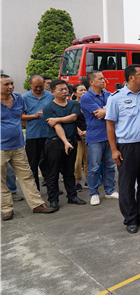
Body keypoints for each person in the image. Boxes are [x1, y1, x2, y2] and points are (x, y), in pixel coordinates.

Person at [106, 64, 140, 234]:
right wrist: (114, 150)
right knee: (127, 184)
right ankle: (130, 218)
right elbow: (110, 125)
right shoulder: (116, 98)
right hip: (128, 146)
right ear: (131, 77)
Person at [1, 74, 56, 220]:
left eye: (11, 83)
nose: (10, 86)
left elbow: (21, 117)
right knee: (1, 179)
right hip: (1, 147)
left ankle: (37, 204)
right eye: (6, 84)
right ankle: (6, 208)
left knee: (27, 175)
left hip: (18, 144)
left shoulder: (18, 98)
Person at [43, 79, 86, 209]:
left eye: (66, 88)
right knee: (53, 173)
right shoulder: (48, 108)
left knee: (69, 171)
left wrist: (57, 119)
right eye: (61, 89)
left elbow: (73, 117)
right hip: (55, 143)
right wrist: (65, 142)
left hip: (72, 141)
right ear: (52, 92)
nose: (64, 91)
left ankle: (72, 196)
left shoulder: (73, 103)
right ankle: (53, 199)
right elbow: (57, 126)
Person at [81, 71, 119, 206]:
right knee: (93, 167)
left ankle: (109, 190)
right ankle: (94, 193)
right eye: (100, 78)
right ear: (92, 82)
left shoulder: (109, 95)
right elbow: (99, 115)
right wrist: (109, 111)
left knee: (110, 165)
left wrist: (106, 111)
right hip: (95, 137)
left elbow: (117, 111)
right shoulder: (86, 97)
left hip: (110, 136)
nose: (104, 80)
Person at [22, 74, 53, 190]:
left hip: (49, 134)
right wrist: (34, 116)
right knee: (33, 165)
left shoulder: (49, 95)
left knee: (50, 164)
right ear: (30, 84)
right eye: (36, 87)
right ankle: (35, 191)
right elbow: (21, 116)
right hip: (33, 135)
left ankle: (52, 189)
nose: (39, 89)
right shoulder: (24, 97)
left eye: (41, 86)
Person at [72, 83, 88, 192]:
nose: (83, 92)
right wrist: (80, 132)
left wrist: (86, 132)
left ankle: (89, 180)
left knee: (89, 160)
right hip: (76, 135)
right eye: (81, 90)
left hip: (89, 134)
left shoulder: (89, 103)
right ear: (75, 93)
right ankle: (77, 182)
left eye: (85, 90)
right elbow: (72, 120)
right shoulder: (72, 105)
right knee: (77, 161)